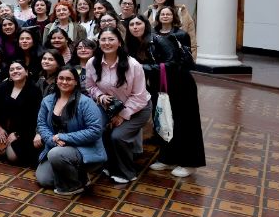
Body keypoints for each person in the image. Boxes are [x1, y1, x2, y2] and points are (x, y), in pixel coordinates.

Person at [133, 14, 205, 178]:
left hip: (180, 85)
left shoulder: (159, 39)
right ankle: (168, 158)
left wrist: (143, 68)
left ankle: (189, 163)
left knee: (185, 124)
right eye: (132, 24)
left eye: (138, 24)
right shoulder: (138, 42)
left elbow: (172, 63)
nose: (135, 27)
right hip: (160, 86)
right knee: (164, 121)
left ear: (146, 25)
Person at [85, 27, 153, 185]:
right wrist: (100, 96)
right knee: (99, 129)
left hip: (137, 109)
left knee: (118, 136)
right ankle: (109, 165)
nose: (107, 43)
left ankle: (127, 172)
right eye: (103, 39)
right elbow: (90, 86)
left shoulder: (133, 65)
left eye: (111, 39)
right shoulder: (92, 62)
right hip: (109, 107)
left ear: (120, 42)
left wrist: (121, 116)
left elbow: (139, 96)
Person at [35, 66, 106, 195]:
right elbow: (41, 124)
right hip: (56, 146)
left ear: (76, 82)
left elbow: (95, 130)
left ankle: (75, 185)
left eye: (69, 79)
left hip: (82, 148)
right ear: (56, 80)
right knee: (45, 180)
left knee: (55, 154)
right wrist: (52, 140)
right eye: (61, 78)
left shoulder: (86, 102)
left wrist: (63, 137)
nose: (64, 82)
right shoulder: (47, 100)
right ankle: (75, 174)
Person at [0, 61, 41, 165]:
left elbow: (34, 118)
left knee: (12, 156)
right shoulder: (3, 87)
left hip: (25, 131)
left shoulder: (34, 91)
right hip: (4, 128)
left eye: (19, 68)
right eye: (12, 70)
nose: (15, 71)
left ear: (26, 72)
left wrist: (17, 134)